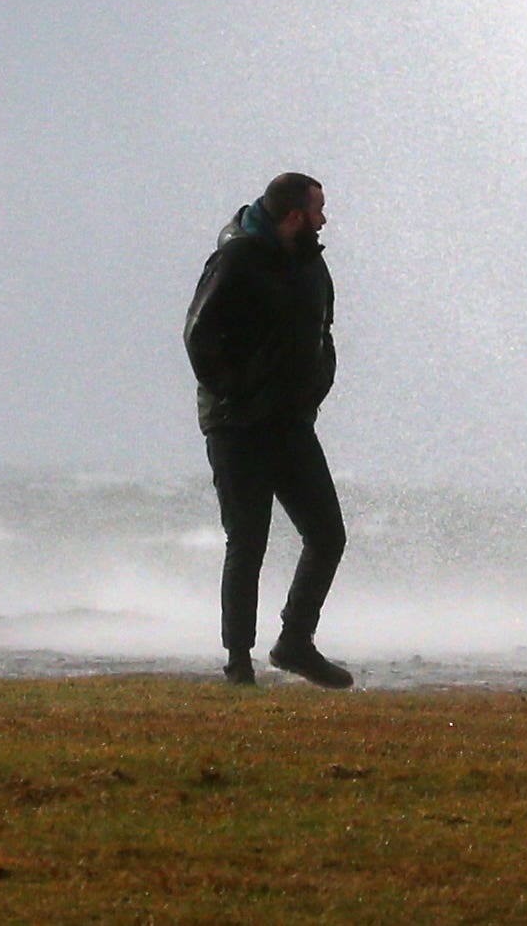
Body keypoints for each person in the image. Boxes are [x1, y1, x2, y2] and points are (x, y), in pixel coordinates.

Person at [183, 170, 352, 687]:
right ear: (296, 215)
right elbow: (199, 335)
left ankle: (295, 642)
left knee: (327, 535)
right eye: (318, 210)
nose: (325, 219)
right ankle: (238, 662)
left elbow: (322, 331)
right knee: (248, 539)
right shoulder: (237, 257)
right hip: (236, 424)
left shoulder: (311, 264)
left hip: (291, 421)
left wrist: (318, 382)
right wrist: (237, 394)